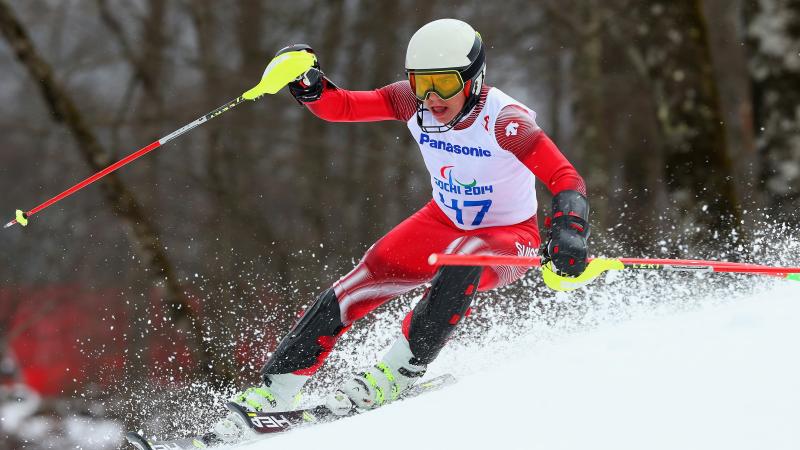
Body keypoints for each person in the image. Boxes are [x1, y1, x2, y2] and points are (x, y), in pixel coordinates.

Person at [215, 18, 589, 439]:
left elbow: (565, 178)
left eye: (444, 84)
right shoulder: (411, 102)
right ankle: (276, 389)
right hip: (442, 220)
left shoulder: (506, 122)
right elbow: (345, 106)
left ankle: (399, 370)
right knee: (362, 279)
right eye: (421, 83)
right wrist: (310, 87)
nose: (431, 97)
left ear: (474, 79)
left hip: (510, 237)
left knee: (464, 256)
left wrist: (569, 231)